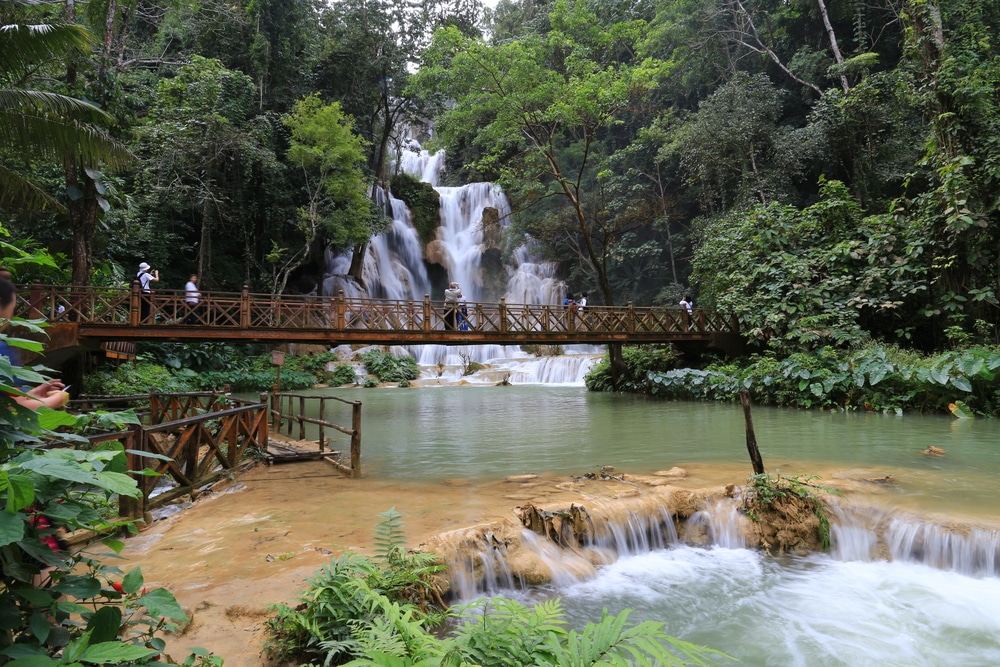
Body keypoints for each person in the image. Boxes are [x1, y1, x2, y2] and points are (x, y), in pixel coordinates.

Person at [0, 277, 69, 410]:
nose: (11, 317)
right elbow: (13, 408)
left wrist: (32, 395)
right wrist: (57, 399)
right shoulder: (2, 351)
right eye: (12, 310)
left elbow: (9, 398)